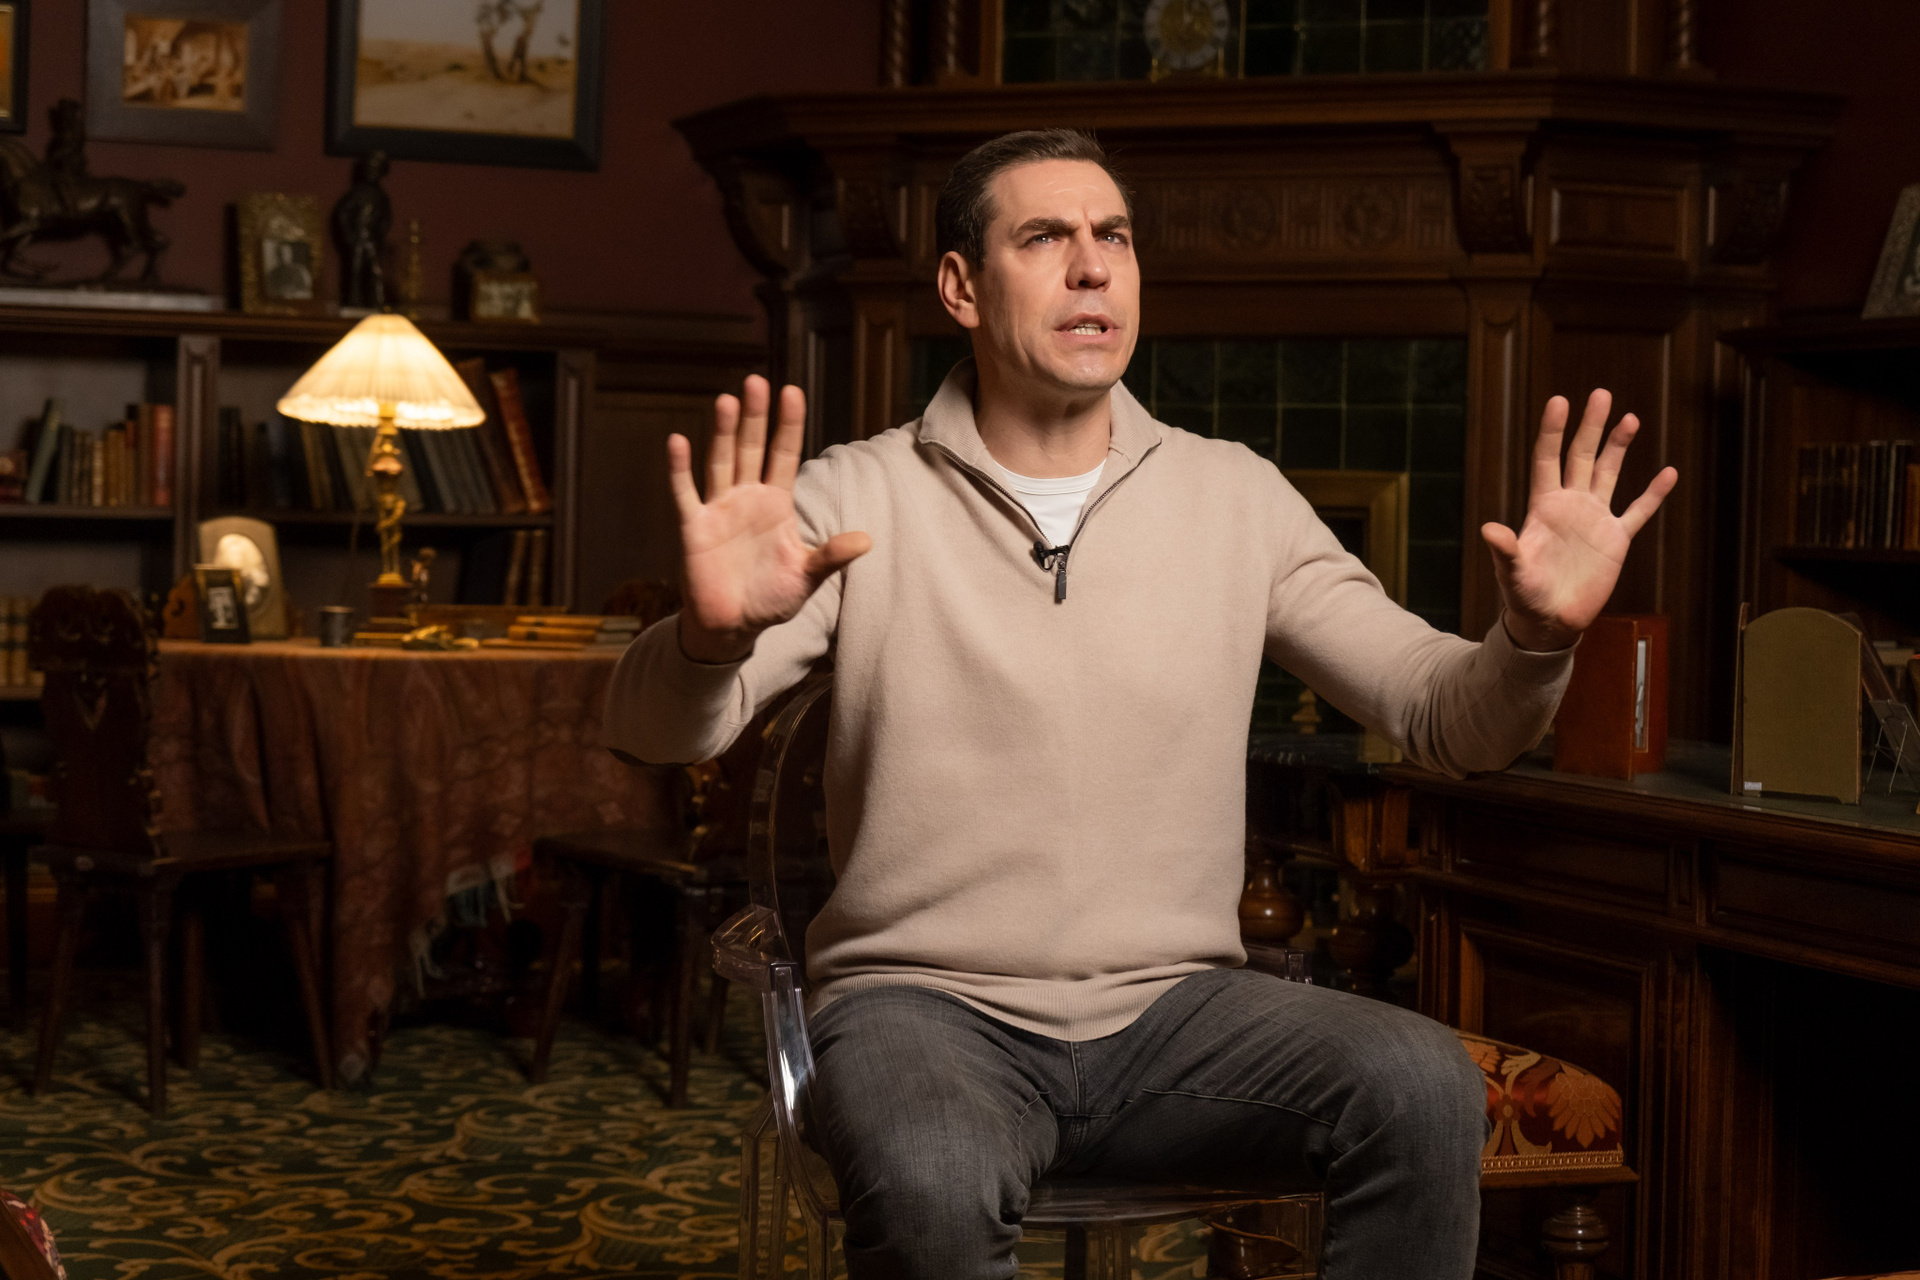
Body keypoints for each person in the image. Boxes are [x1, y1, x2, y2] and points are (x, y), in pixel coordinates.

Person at [606, 129, 1675, 1280]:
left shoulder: (1236, 496)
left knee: (1420, 1083)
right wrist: (711, 637)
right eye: (1044, 237)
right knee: (932, 1173)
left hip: (1179, 1019)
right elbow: (653, 730)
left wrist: (1537, 639)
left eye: (1112, 236)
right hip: (925, 1009)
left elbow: (1445, 714)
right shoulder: (854, 495)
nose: (1092, 266)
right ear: (961, 287)